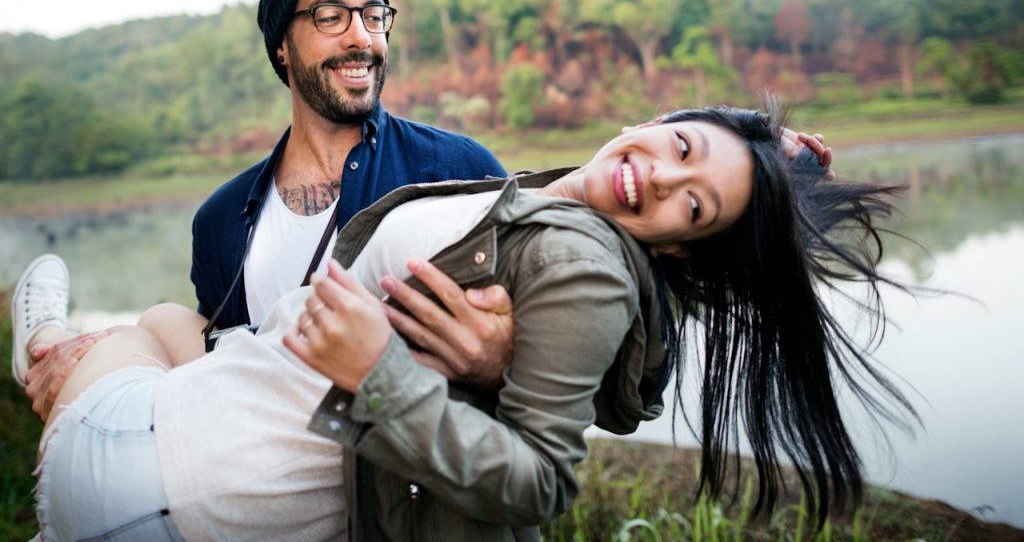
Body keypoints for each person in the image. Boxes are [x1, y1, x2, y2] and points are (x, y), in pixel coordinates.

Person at [11, 103, 909, 541]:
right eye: (680, 144)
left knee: (98, 349)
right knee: (171, 320)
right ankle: (78, 360)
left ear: (681, 250)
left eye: (694, 208)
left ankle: (42, 349)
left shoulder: (583, 261)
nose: (661, 177)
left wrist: (381, 372)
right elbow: (583, 258)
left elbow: (540, 483)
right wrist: (773, 150)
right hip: (186, 465)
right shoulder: (546, 204)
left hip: (150, 491)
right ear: (664, 114)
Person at [21, 0, 518, 420]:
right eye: (331, 17)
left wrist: (499, 360)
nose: (361, 37)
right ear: (282, 44)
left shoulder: (456, 169)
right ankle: (53, 345)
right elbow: (215, 367)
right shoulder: (220, 219)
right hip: (259, 464)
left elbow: (546, 333)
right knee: (159, 328)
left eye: (373, 16)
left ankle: (45, 339)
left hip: (398, 481)